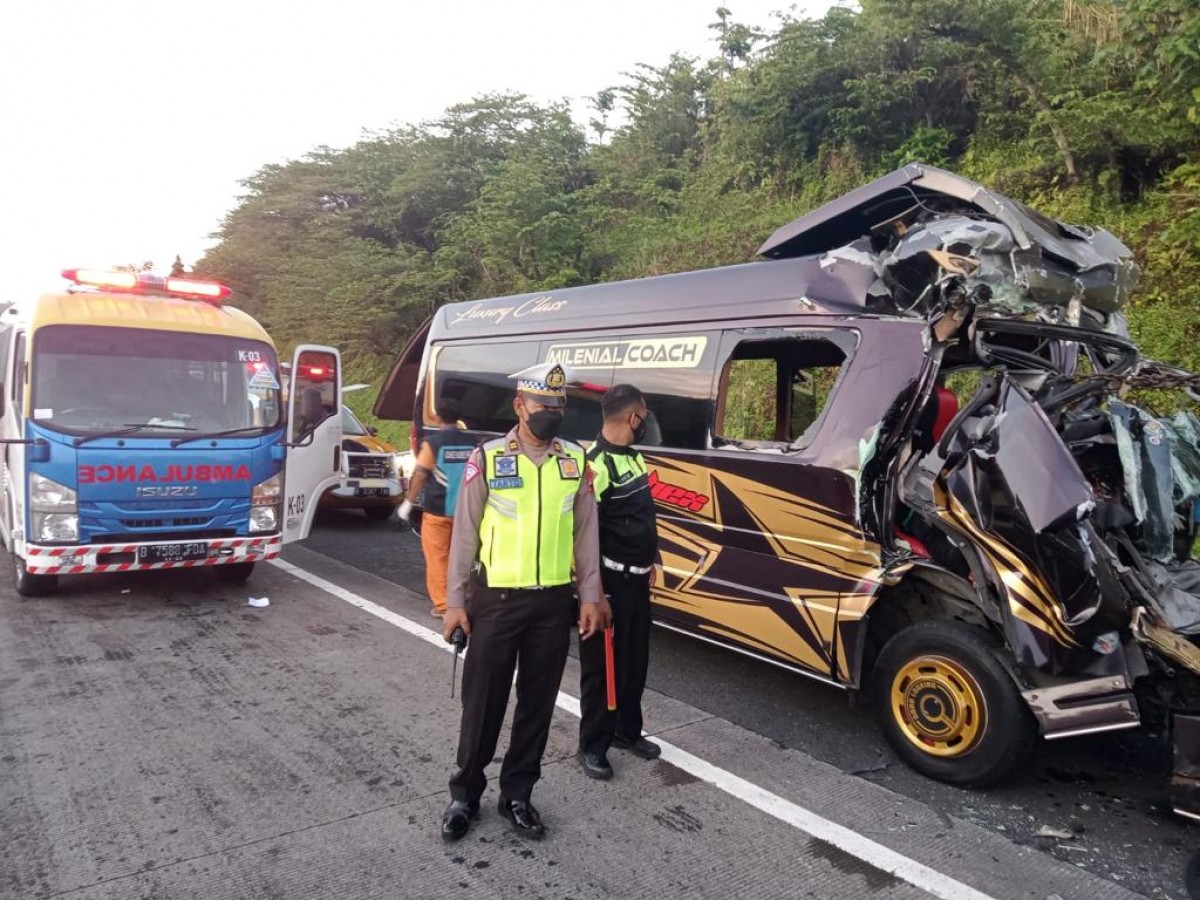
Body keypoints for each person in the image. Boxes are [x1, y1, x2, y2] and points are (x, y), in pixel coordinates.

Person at [439, 362, 609, 842]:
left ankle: (518, 794)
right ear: (520, 406)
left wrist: (591, 595)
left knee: (537, 705)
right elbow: (464, 535)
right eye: (543, 406)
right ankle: (465, 796)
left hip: (553, 605)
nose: (552, 414)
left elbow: (586, 536)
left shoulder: (574, 462)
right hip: (495, 602)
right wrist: (456, 603)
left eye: (559, 406)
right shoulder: (489, 457)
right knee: (483, 705)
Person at [577, 384, 661, 780]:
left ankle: (628, 731)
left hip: (638, 581)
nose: (646, 422)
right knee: (601, 667)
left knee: (634, 660)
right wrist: (593, 593)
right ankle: (593, 743)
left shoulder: (635, 459)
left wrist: (652, 560)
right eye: (645, 415)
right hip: (609, 582)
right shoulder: (596, 465)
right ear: (633, 417)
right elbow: (584, 533)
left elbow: (642, 518)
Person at [399, 397, 475, 618]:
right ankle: (464, 598)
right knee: (461, 557)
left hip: (438, 511)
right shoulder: (473, 443)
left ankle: (444, 605)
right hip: (466, 512)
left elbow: (421, 473)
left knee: (437, 558)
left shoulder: (433, 443)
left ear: (437, 416)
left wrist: (408, 502)